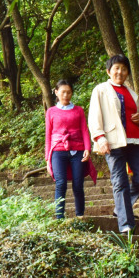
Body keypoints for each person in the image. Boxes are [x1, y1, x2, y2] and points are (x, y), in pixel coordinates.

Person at [88, 54, 139, 233]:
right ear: (109, 71)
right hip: (113, 142)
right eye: (116, 68)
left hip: (135, 140)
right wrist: (99, 137)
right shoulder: (101, 90)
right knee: (120, 181)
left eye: (124, 69)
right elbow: (94, 116)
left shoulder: (132, 93)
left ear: (128, 72)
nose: (120, 72)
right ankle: (126, 225)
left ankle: (121, 208)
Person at [45, 80, 97, 219]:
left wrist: (87, 148)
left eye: (69, 92)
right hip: (58, 150)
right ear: (56, 92)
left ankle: (80, 215)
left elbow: (84, 130)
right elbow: (48, 135)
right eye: (63, 92)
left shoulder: (78, 110)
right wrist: (47, 157)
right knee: (61, 183)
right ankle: (59, 216)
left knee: (78, 184)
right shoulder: (51, 112)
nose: (66, 95)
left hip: (78, 150)